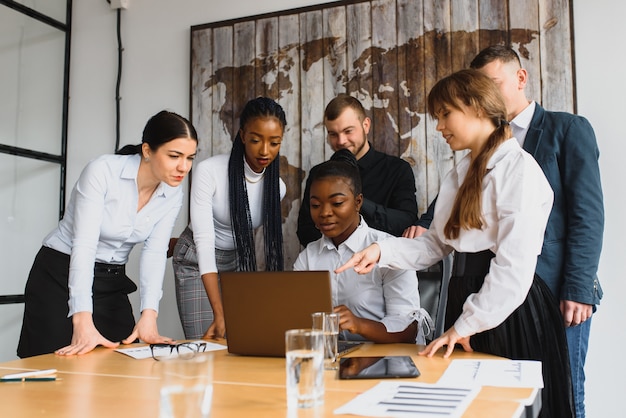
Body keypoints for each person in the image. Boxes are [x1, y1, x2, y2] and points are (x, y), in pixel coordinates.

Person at [336, 69, 574, 417]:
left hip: (507, 310)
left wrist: (464, 326)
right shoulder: (460, 173)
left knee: (506, 407)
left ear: (476, 107)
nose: (439, 127)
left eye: (445, 114)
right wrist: (381, 250)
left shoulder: (519, 170)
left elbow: (513, 269)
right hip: (465, 300)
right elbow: (434, 246)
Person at [470, 45, 604, 418]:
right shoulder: (485, 143)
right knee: (510, 400)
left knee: (564, 394)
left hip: (559, 292)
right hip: (502, 295)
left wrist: (578, 288)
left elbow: (587, 216)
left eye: (495, 84)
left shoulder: (568, 129)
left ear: (521, 77)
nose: (489, 97)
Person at [17, 110, 198, 358]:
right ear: (147, 151)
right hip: (60, 275)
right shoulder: (102, 171)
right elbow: (84, 245)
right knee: (50, 369)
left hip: (110, 282)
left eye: (190, 158)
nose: (183, 167)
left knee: (124, 366)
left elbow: (155, 252)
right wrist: (81, 319)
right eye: (174, 156)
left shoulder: (173, 191)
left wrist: (149, 315)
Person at [172, 97, 286, 340]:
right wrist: (220, 312)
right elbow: (204, 241)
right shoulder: (209, 171)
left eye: (274, 142)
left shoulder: (278, 188)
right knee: (208, 344)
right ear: (242, 136)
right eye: (256, 140)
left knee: (238, 345)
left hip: (236, 264)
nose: (265, 151)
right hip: (197, 260)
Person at [294, 149, 431, 344]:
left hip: (386, 361)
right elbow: (298, 319)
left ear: (358, 202)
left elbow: (408, 330)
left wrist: (359, 325)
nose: (324, 212)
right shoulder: (308, 257)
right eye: (315, 205)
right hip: (332, 361)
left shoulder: (391, 250)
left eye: (337, 203)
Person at [297, 94, 419, 247]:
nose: (341, 141)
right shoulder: (318, 174)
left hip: (383, 265)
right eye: (333, 134)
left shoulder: (398, 169)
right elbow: (305, 232)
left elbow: (407, 223)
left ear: (366, 125)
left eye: (348, 131)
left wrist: (354, 202)